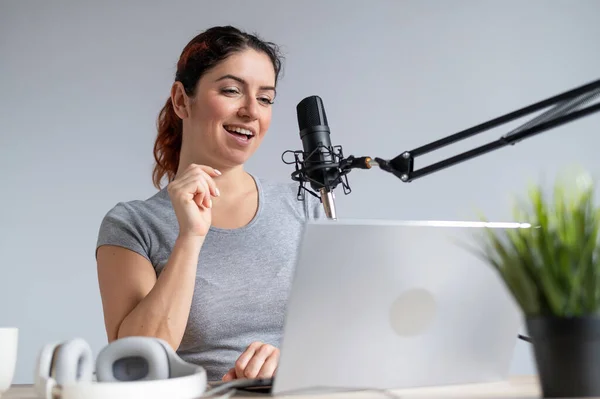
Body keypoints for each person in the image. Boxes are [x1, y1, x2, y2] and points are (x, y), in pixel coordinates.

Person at [95, 25, 323, 383]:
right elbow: (136, 362)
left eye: (265, 98)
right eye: (232, 91)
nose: (251, 111)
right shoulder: (132, 224)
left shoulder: (305, 206)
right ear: (181, 100)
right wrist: (190, 236)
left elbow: (342, 334)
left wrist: (291, 360)